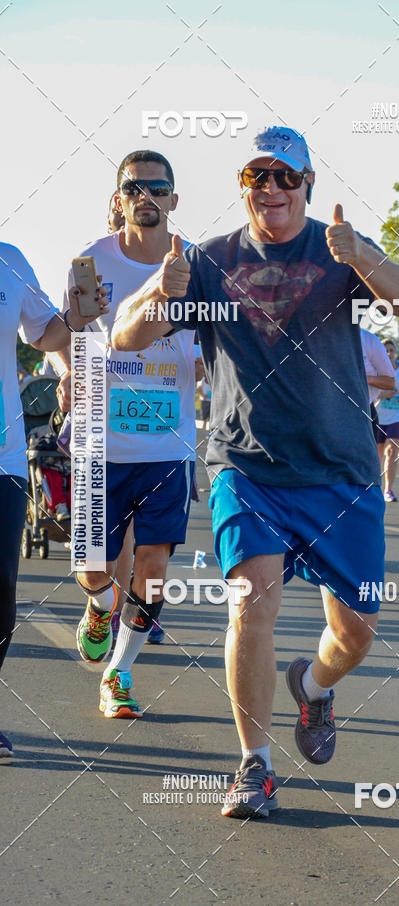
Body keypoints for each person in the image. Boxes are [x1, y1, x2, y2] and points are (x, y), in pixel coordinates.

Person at [112, 125, 399, 818]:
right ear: (242, 186)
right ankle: (253, 766)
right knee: (250, 601)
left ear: (308, 185)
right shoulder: (208, 260)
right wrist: (156, 297)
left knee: (357, 633)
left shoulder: (340, 252)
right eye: (259, 176)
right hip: (246, 466)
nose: (272, 189)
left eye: (287, 177)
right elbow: (124, 336)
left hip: (341, 470)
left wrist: (366, 257)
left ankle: (313, 688)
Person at [51, 150, 196, 716]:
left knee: (154, 570)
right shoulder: (89, 261)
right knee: (93, 569)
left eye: (158, 189)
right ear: (120, 199)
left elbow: (209, 347)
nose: (146, 197)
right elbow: (74, 334)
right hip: (98, 438)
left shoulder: (196, 265)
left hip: (167, 442)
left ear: (173, 200)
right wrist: (71, 374)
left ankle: (119, 674)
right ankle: (100, 605)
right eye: (134, 188)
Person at [0, 243, 107, 756]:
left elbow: (44, 332)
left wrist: (78, 315)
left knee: (1, 587)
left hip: (3, 457)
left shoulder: (10, 260)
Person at [375, 339, 399, 502]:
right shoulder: (376, 369)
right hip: (378, 416)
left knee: (391, 452)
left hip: (396, 417)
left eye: (391, 350)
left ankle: (388, 489)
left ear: (395, 352)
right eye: (386, 350)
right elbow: (366, 390)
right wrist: (383, 394)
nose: (389, 353)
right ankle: (374, 487)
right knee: (377, 455)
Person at [360, 327, 395, 443]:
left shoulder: (368, 339)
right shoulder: (317, 336)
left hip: (364, 412)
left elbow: (390, 382)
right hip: (326, 413)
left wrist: (364, 379)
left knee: (387, 451)